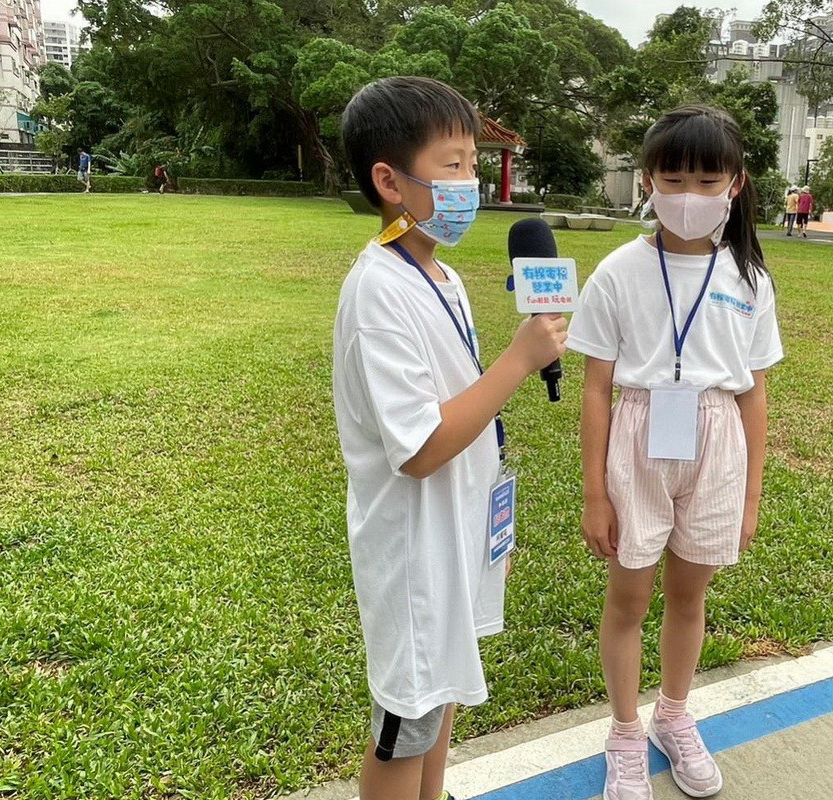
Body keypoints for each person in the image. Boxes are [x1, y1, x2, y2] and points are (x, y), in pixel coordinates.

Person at [334, 76, 568, 800]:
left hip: (457, 532)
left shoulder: (442, 275)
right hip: (414, 553)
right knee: (407, 724)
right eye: (453, 164)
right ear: (389, 182)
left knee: (441, 706)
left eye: (474, 163)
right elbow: (422, 447)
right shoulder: (379, 290)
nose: (472, 182)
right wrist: (520, 358)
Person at [569, 105, 783, 800]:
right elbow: (597, 389)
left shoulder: (750, 277)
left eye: (706, 178)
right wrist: (596, 493)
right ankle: (625, 732)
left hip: (716, 441)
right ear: (647, 180)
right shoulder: (618, 272)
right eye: (674, 177)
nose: (689, 195)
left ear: (736, 184)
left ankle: (673, 715)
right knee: (629, 596)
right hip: (638, 434)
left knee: (689, 599)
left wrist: (751, 492)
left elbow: (753, 393)